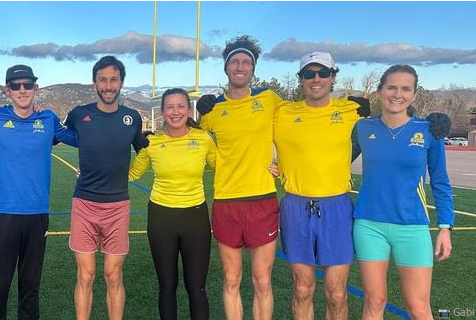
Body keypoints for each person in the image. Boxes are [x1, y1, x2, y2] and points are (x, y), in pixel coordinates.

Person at [0, 65, 77, 320]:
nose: (22, 90)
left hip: (38, 215)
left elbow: (83, 139)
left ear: (36, 88)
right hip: (3, 215)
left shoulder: (47, 119)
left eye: (28, 85)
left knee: (30, 288)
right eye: (16, 85)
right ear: (7, 90)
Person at [352, 64, 454, 320]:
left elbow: (440, 181)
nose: (398, 94)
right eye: (392, 87)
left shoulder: (430, 130)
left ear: (414, 95)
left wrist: (445, 227)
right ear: (379, 92)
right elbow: (331, 154)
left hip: (412, 226)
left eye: (405, 89)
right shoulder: (363, 128)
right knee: (374, 302)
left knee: (418, 308)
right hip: (368, 225)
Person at [193, 35, 282, 320]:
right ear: (226, 68)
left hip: (262, 200)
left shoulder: (269, 100)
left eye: (246, 62)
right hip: (226, 201)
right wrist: (198, 111)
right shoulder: (213, 110)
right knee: (231, 280)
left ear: (253, 69)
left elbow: (302, 121)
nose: (240, 67)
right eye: (235, 62)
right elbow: (187, 134)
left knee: (262, 281)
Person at [273, 51, 364, 320]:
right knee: (302, 288)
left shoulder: (352, 111)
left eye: (323, 73)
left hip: (336, 207)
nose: (316, 79)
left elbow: (396, 107)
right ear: (300, 79)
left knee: (336, 293)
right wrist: (213, 105)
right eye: (309, 74)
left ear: (333, 77)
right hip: (296, 207)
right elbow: (245, 120)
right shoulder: (282, 113)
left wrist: (430, 123)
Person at [64, 55, 149, 320]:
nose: (108, 85)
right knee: (86, 275)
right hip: (85, 205)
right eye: (103, 80)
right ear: (94, 83)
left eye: (113, 79)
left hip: (117, 206)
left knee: (113, 275)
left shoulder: (132, 118)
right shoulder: (79, 115)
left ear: (121, 82)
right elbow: (56, 136)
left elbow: (147, 150)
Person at [129, 88, 215, 320]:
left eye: (180, 107)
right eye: (170, 107)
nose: (175, 112)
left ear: (188, 110)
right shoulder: (153, 143)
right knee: (167, 287)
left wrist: (264, 167)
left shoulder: (204, 139)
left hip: (195, 218)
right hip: (161, 218)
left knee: (196, 288)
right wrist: (91, 172)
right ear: (162, 112)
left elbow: (225, 168)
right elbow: (131, 174)